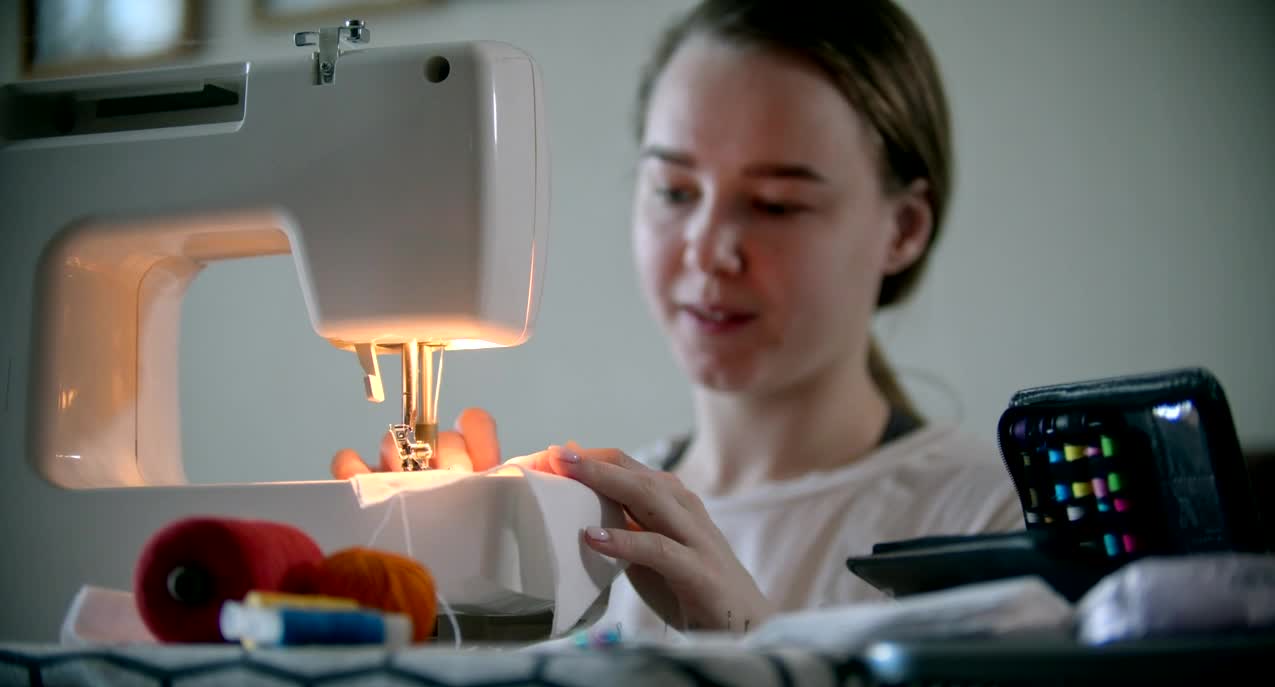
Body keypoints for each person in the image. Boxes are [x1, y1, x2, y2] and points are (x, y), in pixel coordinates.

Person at [332, 0, 1023, 639]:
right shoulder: (590, 522)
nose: (708, 251)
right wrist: (439, 614)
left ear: (902, 228)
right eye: (674, 191)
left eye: (776, 203)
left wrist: (758, 665)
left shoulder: (995, 526)